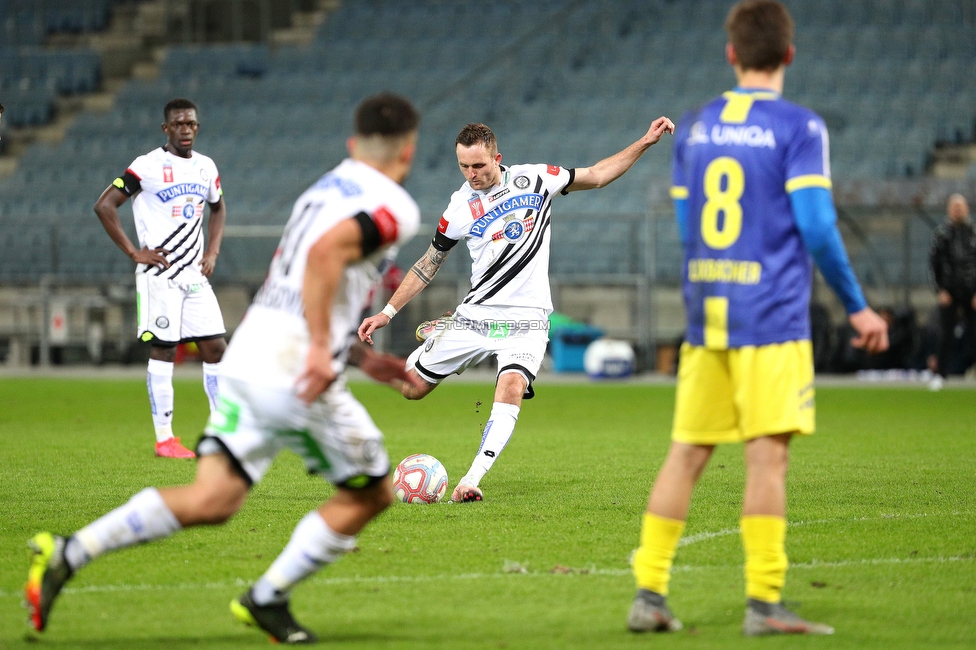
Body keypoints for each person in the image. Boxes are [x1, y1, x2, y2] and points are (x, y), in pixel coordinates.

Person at [27, 93, 424, 643]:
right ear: (408, 151)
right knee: (371, 493)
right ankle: (267, 597)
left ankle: (72, 551)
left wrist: (356, 354)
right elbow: (324, 258)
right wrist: (319, 350)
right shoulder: (395, 205)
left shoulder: (325, 186)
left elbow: (297, 279)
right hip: (294, 371)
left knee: (212, 499)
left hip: (249, 357)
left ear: (354, 145)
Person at [626, 0, 889, 637]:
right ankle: (765, 604)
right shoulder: (800, 128)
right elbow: (820, 227)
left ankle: (649, 595)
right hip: (771, 319)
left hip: (708, 313)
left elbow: (691, 229)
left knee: (686, 453)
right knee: (766, 460)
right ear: (789, 55)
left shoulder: (692, 127)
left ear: (731, 54)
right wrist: (856, 307)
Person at [359, 117, 674, 503]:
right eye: (464, 166)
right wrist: (387, 312)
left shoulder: (537, 179)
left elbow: (596, 175)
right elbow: (428, 263)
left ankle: (471, 479)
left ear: (498, 158)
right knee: (412, 389)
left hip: (527, 320)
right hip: (478, 316)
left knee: (511, 385)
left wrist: (644, 141)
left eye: (479, 165)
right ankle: (442, 333)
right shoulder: (460, 207)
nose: (471, 174)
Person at [94, 98, 227, 459]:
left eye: (192, 124)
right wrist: (133, 252)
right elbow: (104, 206)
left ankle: (218, 434)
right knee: (164, 349)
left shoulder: (206, 167)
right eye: (179, 124)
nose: (186, 129)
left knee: (216, 349)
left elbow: (218, 207)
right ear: (166, 129)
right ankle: (165, 438)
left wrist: (212, 251)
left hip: (195, 275)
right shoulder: (147, 167)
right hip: (159, 276)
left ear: (197, 127)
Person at [928, 193, 976, 389]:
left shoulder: (974, 233)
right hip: (949, 291)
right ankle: (940, 374)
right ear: (949, 210)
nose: (958, 210)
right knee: (945, 334)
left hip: (972, 292)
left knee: (975, 333)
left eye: (961, 206)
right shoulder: (941, 234)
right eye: (954, 207)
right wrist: (940, 290)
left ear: (967, 209)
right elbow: (933, 265)